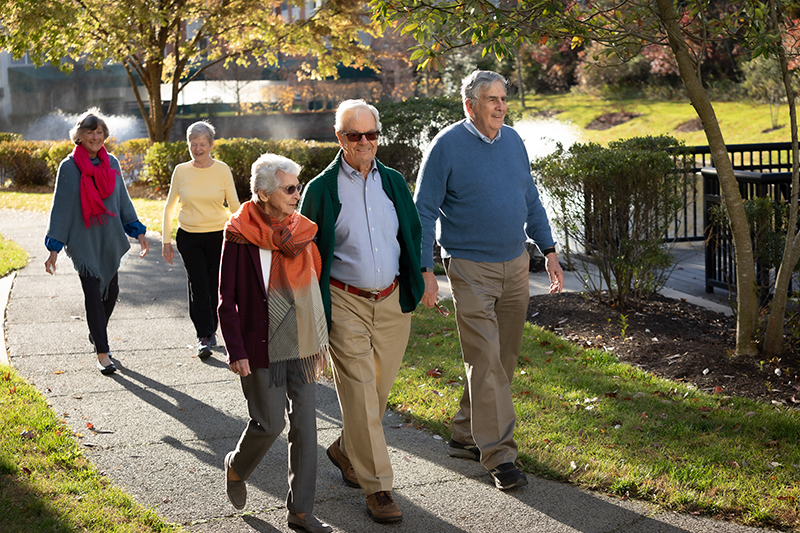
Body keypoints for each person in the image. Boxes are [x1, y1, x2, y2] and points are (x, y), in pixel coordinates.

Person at [414, 70, 564, 491]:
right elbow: (423, 210)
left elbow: (529, 197)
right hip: (468, 267)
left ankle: (464, 433)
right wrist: (426, 270)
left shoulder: (513, 141)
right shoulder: (446, 147)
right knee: (484, 357)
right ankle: (500, 455)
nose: (500, 106)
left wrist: (549, 250)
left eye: (503, 98)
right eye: (491, 100)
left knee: (503, 358)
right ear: (470, 106)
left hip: (516, 263)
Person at [299, 99, 424, 523]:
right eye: (356, 135)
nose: (366, 142)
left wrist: (424, 275)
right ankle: (379, 488)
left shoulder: (394, 182)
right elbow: (304, 255)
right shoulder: (321, 189)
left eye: (372, 134)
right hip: (344, 301)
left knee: (377, 394)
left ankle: (344, 449)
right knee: (358, 391)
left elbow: (413, 231)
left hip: (391, 301)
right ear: (340, 138)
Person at [218, 153, 331, 533]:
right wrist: (236, 349)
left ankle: (300, 512)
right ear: (265, 194)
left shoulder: (303, 231)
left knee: (306, 426)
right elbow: (226, 298)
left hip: (301, 338)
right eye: (290, 189)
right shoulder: (238, 233)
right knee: (268, 424)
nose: (298, 194)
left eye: (297, 187)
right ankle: (236, 466)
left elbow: (314, 279)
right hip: (259, 342)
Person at [44, 108, 150, 376]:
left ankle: (96, 332)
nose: (95, 136)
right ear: (79, 136)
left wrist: (137, 230)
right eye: (90, 132)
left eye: (99, 131)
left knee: (111, 293)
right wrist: (54, 248)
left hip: (108, 238)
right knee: (93, 293)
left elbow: (122, 200)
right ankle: (103, 352)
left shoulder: (111, 163)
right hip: (83, 241)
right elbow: (62, 208)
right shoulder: (68, 167)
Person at [162, 121, 240, 359]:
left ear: (211, 144)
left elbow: (235, 206)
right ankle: (204, 335)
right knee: (199, 285)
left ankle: (217, 328)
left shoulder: (222, 170)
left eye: (202, 144)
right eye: (192, 144)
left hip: (219, 236)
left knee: (217, 284)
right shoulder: (181, 171)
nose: (197, 149)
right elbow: (169, 208)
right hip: (189, 237)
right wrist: (166, 241)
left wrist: (244, 234)